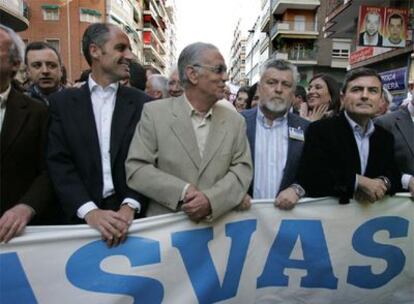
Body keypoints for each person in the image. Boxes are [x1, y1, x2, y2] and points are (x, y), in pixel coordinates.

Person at [47, 23, 151, 247]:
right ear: (95, 51)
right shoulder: (62, 104)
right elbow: (59, 163)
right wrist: (89, 212)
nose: (130, 56)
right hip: (78, 221)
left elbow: (150, 159)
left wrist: (130, 205)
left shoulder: (144, 104)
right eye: (121, 48)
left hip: (134, 221)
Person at [126, 42, 253, 221]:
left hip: (218, 232)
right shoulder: (154, 114)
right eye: (219, 70)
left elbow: (242, 170)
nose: (225, 77)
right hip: (167, 234)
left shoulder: (235, 122)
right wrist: (183, 191)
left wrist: (211, 200)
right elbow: (137, 169)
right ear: (193, 74)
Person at [297, 68, 401, 204]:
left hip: (371, 222)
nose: (365, 96)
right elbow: (312, 177)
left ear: (381, 99)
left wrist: (384, 182)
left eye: (373, 91)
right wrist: (358, 181)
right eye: (357, 89)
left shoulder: (385, 137)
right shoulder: (320, 130)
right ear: (342, 97)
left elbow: (394, 174)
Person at [0, 25, 62, 243]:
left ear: (15, 64)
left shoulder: (38, 113)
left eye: (51, 65)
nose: (45, 71)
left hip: (18, 236)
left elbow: (50, 170)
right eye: (37, 65)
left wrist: (26, 207)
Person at [242, 59, 309, 210]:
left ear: (293, 93)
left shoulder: (306, 129)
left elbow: (312, 172)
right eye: (271, 82)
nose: (278, 89)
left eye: (286, 85)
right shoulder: (237, 122)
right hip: (244, 220)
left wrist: (297, 189)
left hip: (287, 222)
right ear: (259, 88)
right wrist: (234, 191)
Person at [376, 95, 414, 198]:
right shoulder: (385, 123)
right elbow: (374, 168)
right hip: (403, 208)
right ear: (411, 88)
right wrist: (406, 180)